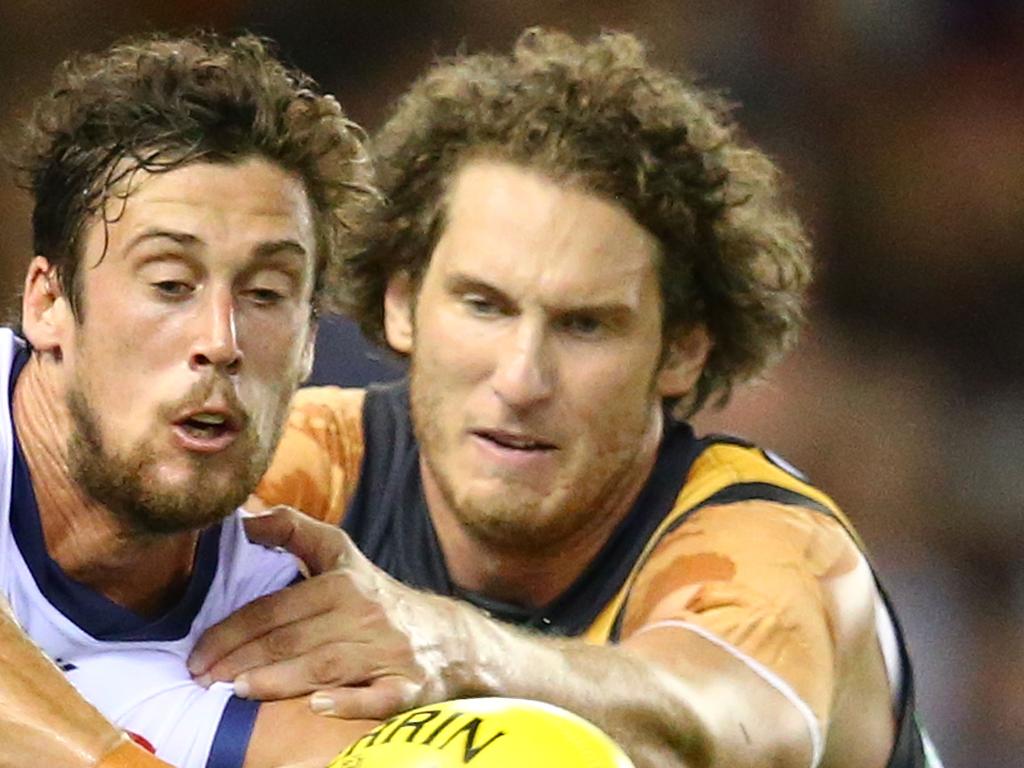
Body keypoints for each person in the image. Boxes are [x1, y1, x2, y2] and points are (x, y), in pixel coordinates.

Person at [187, 28, 942, 768]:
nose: (521, 380)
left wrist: (462, 647)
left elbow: (731, 731)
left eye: (585, 326)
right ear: (401, 303)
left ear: (681, 348)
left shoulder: (770, 541)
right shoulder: (304, 474)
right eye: (484, 305)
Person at [0, 32, 380, 768]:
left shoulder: (283, 625)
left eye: (266, 294)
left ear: (307, 344)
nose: (221, 339)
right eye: (170, 283)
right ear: (48, 304)